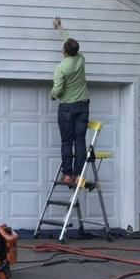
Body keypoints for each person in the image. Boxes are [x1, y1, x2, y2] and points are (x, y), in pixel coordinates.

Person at [50, 17, 89, 186]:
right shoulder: (80, 59)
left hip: (67, 107)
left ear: (64, 51)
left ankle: (67, 175)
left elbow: (57, 90)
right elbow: (70, 43)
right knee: (80, 141)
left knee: (67, 141)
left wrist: (52, 95)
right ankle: (79, 175)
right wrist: (60, 28)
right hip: (83, 106)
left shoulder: (61, 68)